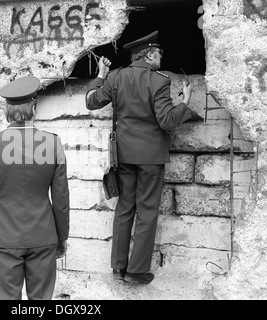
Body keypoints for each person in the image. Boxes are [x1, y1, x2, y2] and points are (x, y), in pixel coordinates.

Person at [85, 31, 201, 285]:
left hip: (124, 155)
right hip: (150, 157)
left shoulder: (116, 76)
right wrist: (186, 102)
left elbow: (91, 102)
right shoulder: (159, 81)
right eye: (159, 53)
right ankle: (137, 271)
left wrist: (100, 76)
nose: (162, 56)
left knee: (125, 207)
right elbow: (167, 121)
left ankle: (118, 268)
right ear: (149, 54)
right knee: (147, 211)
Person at [0, 75, 70, 300]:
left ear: (7, 110)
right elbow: (61, 198)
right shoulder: (54, 143)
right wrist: (62, 237)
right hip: (43, 236)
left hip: (5, 237)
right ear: (33, 108)